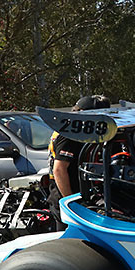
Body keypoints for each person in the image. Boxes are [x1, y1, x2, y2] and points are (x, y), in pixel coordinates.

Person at [47, 95, 112, 229]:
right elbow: (59, 170)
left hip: (86, 195)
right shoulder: (70, 133)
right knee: (70, 240)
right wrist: (72, 203)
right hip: (67, 198)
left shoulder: (81, 131)